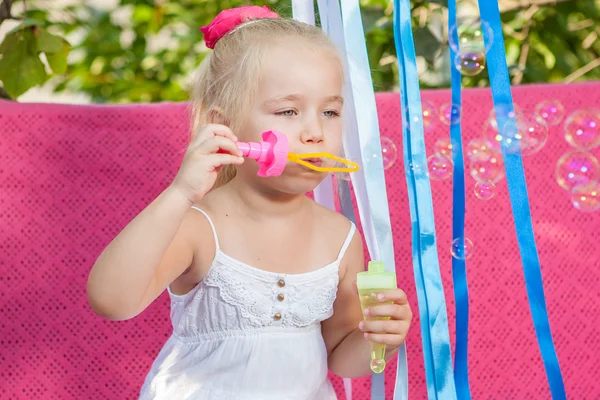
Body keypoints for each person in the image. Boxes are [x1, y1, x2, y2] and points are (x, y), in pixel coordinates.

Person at [86, 5, 412, 399]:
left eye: (330, 111)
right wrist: (180, 193)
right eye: (288, 111)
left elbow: (341, 356)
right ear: (225, 127)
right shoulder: (199, 226)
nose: (314, 132)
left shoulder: (340, 237)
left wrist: (381, 339)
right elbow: (111, 300)